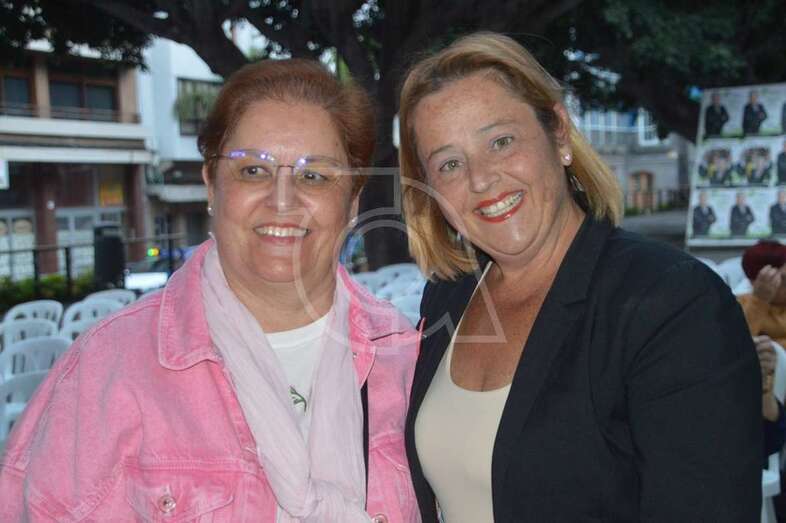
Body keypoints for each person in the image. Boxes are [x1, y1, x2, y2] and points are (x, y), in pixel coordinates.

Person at [0, 60, 419, 522]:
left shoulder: (402, 355)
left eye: (314, 176)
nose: (282, 201)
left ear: (353, 202)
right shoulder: (109, 368)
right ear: (211, 186)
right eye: (253, 171)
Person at [398, 32, 761, 523]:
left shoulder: (672, 303)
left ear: (560, 133)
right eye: (449, 164)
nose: (480, 179)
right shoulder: (449, 295)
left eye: (501, 142)